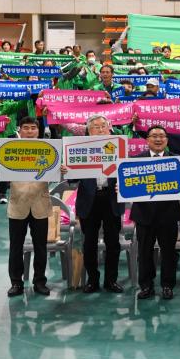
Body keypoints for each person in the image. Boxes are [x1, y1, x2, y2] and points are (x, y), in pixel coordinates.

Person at [61, 115, 124, 293]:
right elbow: (72, 180)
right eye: (96, 126)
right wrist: (67, 170)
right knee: (89, 243)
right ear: (88, 131)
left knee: (113, 243)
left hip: (111, 199)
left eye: (103, 125)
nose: (101, 129)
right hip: (89, 200)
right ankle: (92, 280)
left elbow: (128, 172)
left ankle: (111, 280)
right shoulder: (80, 149)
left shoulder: (119, 146)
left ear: (109, 128)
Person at [131, 125, 180, 300]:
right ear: (147, 140)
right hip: (143, 214)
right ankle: (146, 286)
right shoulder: (135, 160)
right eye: (154, 136)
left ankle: (167, 285)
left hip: (168, 214)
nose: (158, 139)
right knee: (144, 252)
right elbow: (128, 184)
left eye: (162, 136)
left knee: (169, 252)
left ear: (167, 140)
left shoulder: (176, 160)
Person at [6, 117, 51, 297]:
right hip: (18, 203)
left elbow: (55, 171)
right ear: (20, 130)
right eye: (26, 128)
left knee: (41, 246)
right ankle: (16, 283)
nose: (30, 131)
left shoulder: (48, 149)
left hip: (40, 203)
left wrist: (62, 170)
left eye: (33, 128)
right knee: (15, 247)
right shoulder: (9, 149)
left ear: (38, 131)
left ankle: (40, 281)